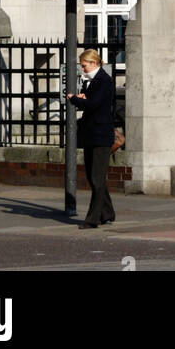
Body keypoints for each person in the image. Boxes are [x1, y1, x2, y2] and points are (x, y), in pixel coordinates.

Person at [66, 48, 116, 229]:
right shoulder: (92, 81)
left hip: (101, 135)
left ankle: (93, 218)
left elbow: (94, 104)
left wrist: (74, 99)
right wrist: (83, 98)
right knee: (94, 176)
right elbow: (93, 101)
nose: (82, 69)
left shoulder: (103, 80)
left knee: (97, 177)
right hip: (92, 134)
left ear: (94, 63)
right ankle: (107, 212)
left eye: (84, 66)